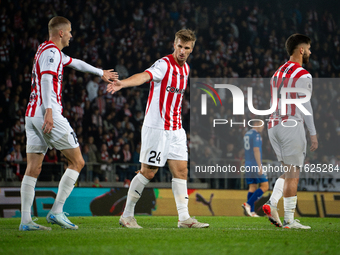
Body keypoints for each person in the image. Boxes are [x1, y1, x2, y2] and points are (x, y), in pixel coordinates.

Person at [19, 16, 116, 231]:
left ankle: (26, 221)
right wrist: (49, 113)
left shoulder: (45, 49)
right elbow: (45, 80)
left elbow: (76, 63)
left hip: (31, 114)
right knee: (78, 162)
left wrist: (101, 72)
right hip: (46, 113)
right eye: (70, 31)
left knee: (33, 168)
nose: (72, 35)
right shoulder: (52, 53)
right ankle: (56, 211)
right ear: (61, 32)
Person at [107, 29, 209, 228]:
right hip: (157, 127)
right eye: (179, 46)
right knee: (148, 172)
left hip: (176, 129)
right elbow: (145, 76)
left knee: (181, 171)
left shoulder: (186, 69)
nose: (181, 51)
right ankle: (127, 215)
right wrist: (123, 84)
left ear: (191, 50)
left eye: (186, 48)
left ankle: (184, 218)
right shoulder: (164, 64)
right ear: (174, 44)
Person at [262, 34, 318, 229]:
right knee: (293, 173)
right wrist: (313, 132)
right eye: (308, 48)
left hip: (273, 125)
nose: (310, 52)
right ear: (301, 50)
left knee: (287, 171)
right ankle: (289, 220)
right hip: (291, 124)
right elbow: (306, 105)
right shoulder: (303, 74)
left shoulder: (277, 72)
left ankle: (271, 203)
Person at [241, 120, 268, 217]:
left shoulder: (247, 134)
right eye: (262, 125)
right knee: (265, 186)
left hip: (247, 163)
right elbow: (256, 150)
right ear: (256, 124)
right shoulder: (256, 135)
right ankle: (248, 204)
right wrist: (260, 166)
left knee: (252, 187)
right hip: (255, 164)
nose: (263, 127)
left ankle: (251, 211)